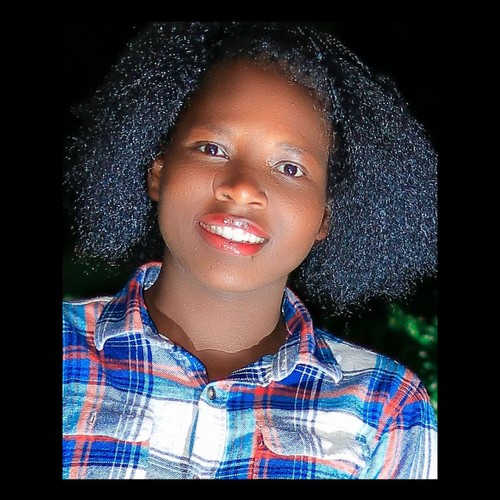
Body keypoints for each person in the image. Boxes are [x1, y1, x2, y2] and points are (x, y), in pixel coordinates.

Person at [62, 21, 438, 480]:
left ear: (325, 217)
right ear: (158, 171)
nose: (241, 188)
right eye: (211, 148)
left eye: (289, 167)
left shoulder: (387, 409)